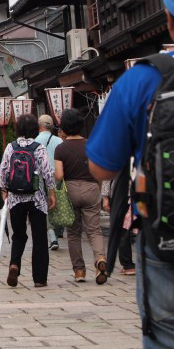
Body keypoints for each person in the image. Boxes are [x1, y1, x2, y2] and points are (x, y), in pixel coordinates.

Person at [87, 0, 174, 349]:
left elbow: (101, 168)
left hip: (165, 238)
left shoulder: (142, 79)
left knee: (166, 340)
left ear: (169, 20)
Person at [0, 114, 56, 288]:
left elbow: (3, 169)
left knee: (19, 235)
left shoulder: (11, 147)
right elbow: (47, 172)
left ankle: (14, 264)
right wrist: (52, 193)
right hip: (36, 198)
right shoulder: (39, 148)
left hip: (16, 197)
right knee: (39, 238)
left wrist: (4, 190)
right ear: (35, 129)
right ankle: (39, 278)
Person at [54, 109, 106, 285]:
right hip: (91, 188)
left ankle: (79, 271)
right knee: (94, 230)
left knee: (74, 233)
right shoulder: (92, 145)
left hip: (72, 191)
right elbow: (98, 172)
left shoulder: (60, 149)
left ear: (64, 127)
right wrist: (98, 189)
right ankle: (100, 260)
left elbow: (59, 175)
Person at [36, 114, 64, 251]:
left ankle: (52, 235)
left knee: (45, 205)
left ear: (39, 126)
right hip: (57, 176)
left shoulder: (35, 141)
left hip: (41, 177)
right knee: (58, 204)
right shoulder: (59, 141)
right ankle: (58, 230)